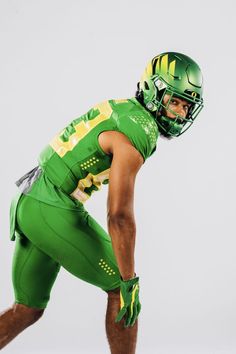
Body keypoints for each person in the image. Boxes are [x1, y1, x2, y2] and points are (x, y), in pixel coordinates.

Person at [0, 52, 204, 353]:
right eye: (174, 101)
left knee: (27, 308)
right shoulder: (141, 130)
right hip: (51, 205)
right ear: (153, 90)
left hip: (29, 200)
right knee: (123, 292)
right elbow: (119, 215)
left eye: (187, 106)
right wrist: (129, 278)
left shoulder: (123, 108)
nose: (181, 113)